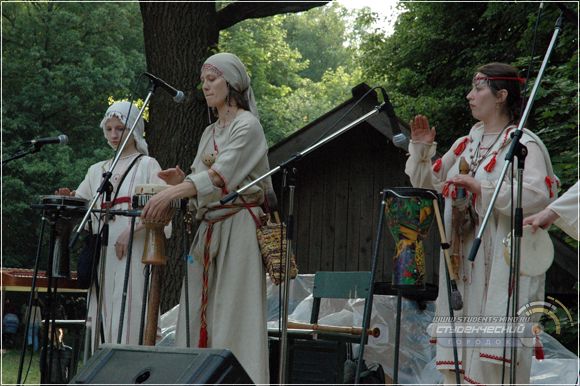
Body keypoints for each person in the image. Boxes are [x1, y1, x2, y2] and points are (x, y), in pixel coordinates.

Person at [405, 62, 558, 384]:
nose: (469, 95)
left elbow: (538, 196)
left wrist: (482, 188)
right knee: (457, 363)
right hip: (464, 269)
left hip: (498, 268)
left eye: (478, 88)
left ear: (501, 95)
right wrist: (420, 149)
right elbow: (428, 183)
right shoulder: (465, 144)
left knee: (493, 366)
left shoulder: (522, 143)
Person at [142, 52, 271, 384]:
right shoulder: (209, 132)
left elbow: (219, 176)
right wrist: (180, 183)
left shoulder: (248, 125)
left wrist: (174, 193)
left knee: (233, 315)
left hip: (240, 228)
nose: (206, 86)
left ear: (232, 83)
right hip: (210, 230)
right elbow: (201, 181)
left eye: (212, 79)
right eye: (203, 80)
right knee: (197, 315)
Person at [57, 101, 169, 348]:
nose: (114, 135)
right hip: (103, 250)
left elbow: (164, 209)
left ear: (133, 129)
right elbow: (83, 208)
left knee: (131, 308)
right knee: (102, 311)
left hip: (136, 250)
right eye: (108, 129)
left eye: (120, 128)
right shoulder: (97, 170)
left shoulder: (148, 165)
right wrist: (70, 198)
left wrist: (131, 231)